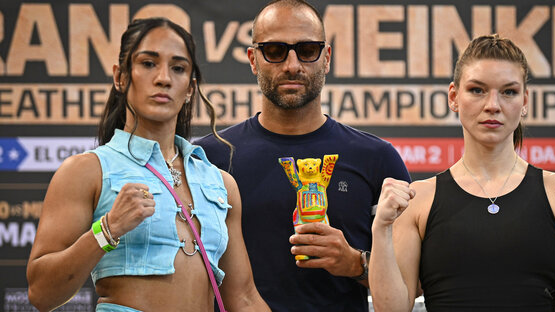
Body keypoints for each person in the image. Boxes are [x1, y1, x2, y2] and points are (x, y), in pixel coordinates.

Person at [26, 17, 269, 312]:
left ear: (191, 87)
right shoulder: (86, 170)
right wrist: (108, 229)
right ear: (121, 77)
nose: (163, 78)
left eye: (178, 68)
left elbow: (243, 298)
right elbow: (41, 293)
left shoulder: (220, 183)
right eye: (148, 63)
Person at [369, 34, 555, 312]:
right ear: (454, 97)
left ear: (524, 101)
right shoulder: (419, 200)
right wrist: (381, 229)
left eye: (508, 92)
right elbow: (391, 309)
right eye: (477, 90)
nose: (493, 105)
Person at [194, 0, 410, 310]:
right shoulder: (208, 157)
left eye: (307, 50)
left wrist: (354, 263)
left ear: (326, 58)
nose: (292, 65)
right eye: (275, 51)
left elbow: (409, 283)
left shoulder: (377, 158)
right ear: (253, 59)